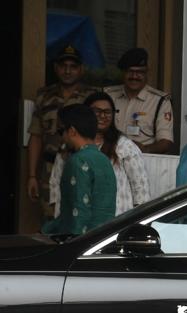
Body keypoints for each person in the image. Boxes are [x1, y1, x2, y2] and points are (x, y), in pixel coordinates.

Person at [49, 92, 150, 217]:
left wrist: (136, 222)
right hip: (76, 222)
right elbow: (56, 183)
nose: (103, 116)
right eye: (96, 111)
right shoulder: (68, 145)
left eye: (107, 112)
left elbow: (141, 189)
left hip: (117, 222)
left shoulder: (125, 146)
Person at [27, 44, 97, 220]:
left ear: (81, 69)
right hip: (49, 170)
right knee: (51, 220)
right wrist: (32, 176)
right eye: (63, 66)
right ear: (56, 68)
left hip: (81, 167)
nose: (68, 71)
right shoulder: (44, 95)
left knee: (80, 217)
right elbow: (36, 136)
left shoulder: (92, 96)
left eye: (73, 66)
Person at [42, 104, 116, 236]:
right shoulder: (104, 159)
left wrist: (73, 245)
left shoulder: (78, 160)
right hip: (102, 239)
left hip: (81, 243)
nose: (61, 137)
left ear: (71, 131)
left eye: (61, 131)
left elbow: (78, 211)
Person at [105, 48, 175, 154]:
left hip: (143, 161)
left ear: (147, 72)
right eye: (130, 71)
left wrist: (142, 150)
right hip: (108, 157)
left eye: (140, 72)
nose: (134, 76)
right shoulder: (108, 96)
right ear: (123, 72)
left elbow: (165, 142)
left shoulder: (160, 101)